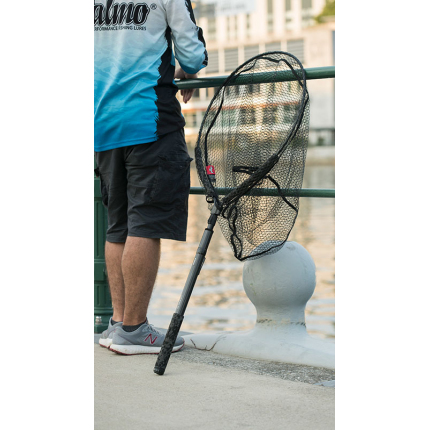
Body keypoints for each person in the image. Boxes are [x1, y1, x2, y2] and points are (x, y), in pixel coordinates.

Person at [94, 0, 207, 355]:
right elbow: (192, 54)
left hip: (102, 121)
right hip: (150, 120)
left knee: (118, 225)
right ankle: (135, 329)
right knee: (147, 221)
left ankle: (118, 323)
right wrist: (187, 69)